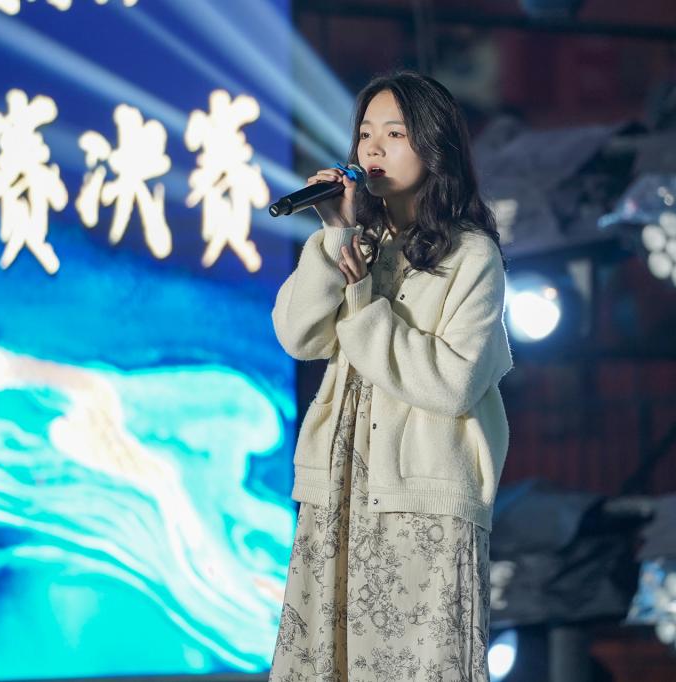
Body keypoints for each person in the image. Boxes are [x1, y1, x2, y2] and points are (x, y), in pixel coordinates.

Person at [269, 71, 512, 681]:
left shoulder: (472, 255)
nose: (372, 148)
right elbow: (298, 336)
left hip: (423, 503)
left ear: (434, 146)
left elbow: (452, 384)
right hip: (340, 487)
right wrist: (334, 236)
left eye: (395, 134)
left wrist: (364, 306)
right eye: (365, 134)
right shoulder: (358, 241)